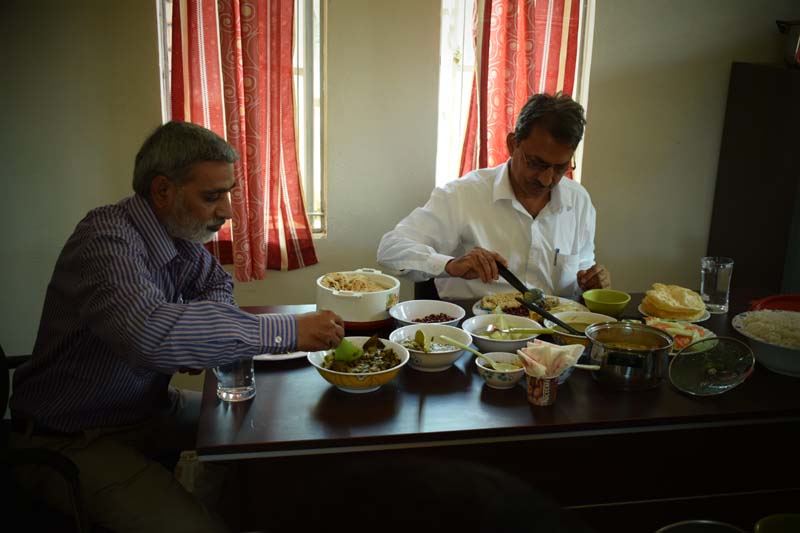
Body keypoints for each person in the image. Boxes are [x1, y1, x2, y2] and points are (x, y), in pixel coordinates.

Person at [9, 121, 345, 533]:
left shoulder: (177, 237)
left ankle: (220, 494)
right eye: (211, 196)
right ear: (163, 191)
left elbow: (216, 283)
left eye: (228, 194)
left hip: (145, 409)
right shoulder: (105, 241)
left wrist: (201, 336)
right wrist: (287, 331)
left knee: (267, 439)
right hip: (73, 434)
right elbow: (150, 336)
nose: (226, 211)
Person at [377, 92, 610, 301]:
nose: (546, 179)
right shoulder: (463, 195)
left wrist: (590, 283)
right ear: (512, 144)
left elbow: (581, 271)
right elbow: (391, 248)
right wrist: (450, 265)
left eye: (560, 168)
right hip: (475, 328)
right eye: (536, 163)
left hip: (555, 329)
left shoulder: (579, 202)